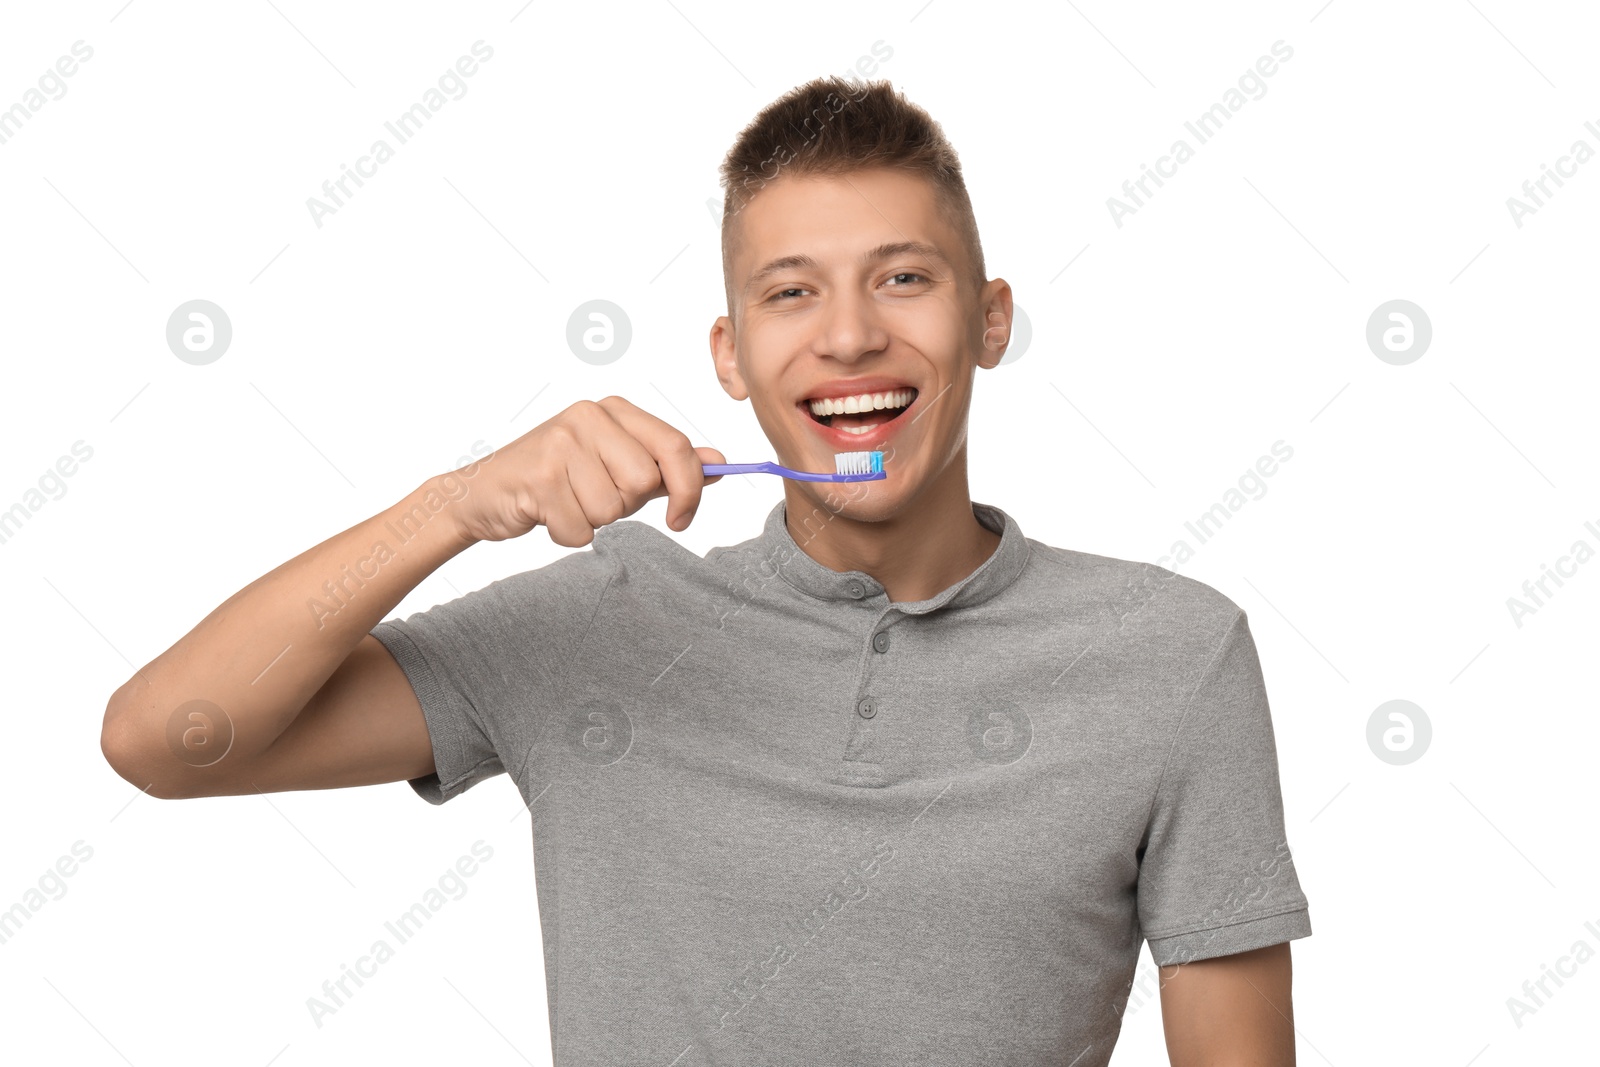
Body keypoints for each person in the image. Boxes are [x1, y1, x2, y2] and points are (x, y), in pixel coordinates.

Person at [101, 75, 1311, 1066]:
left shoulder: (1170, 653)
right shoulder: (603, 619)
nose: (847, 335)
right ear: (731, 356)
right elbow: (166, 738)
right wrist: (453, 505)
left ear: (988, 320)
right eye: (792, 293)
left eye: (903, 277)